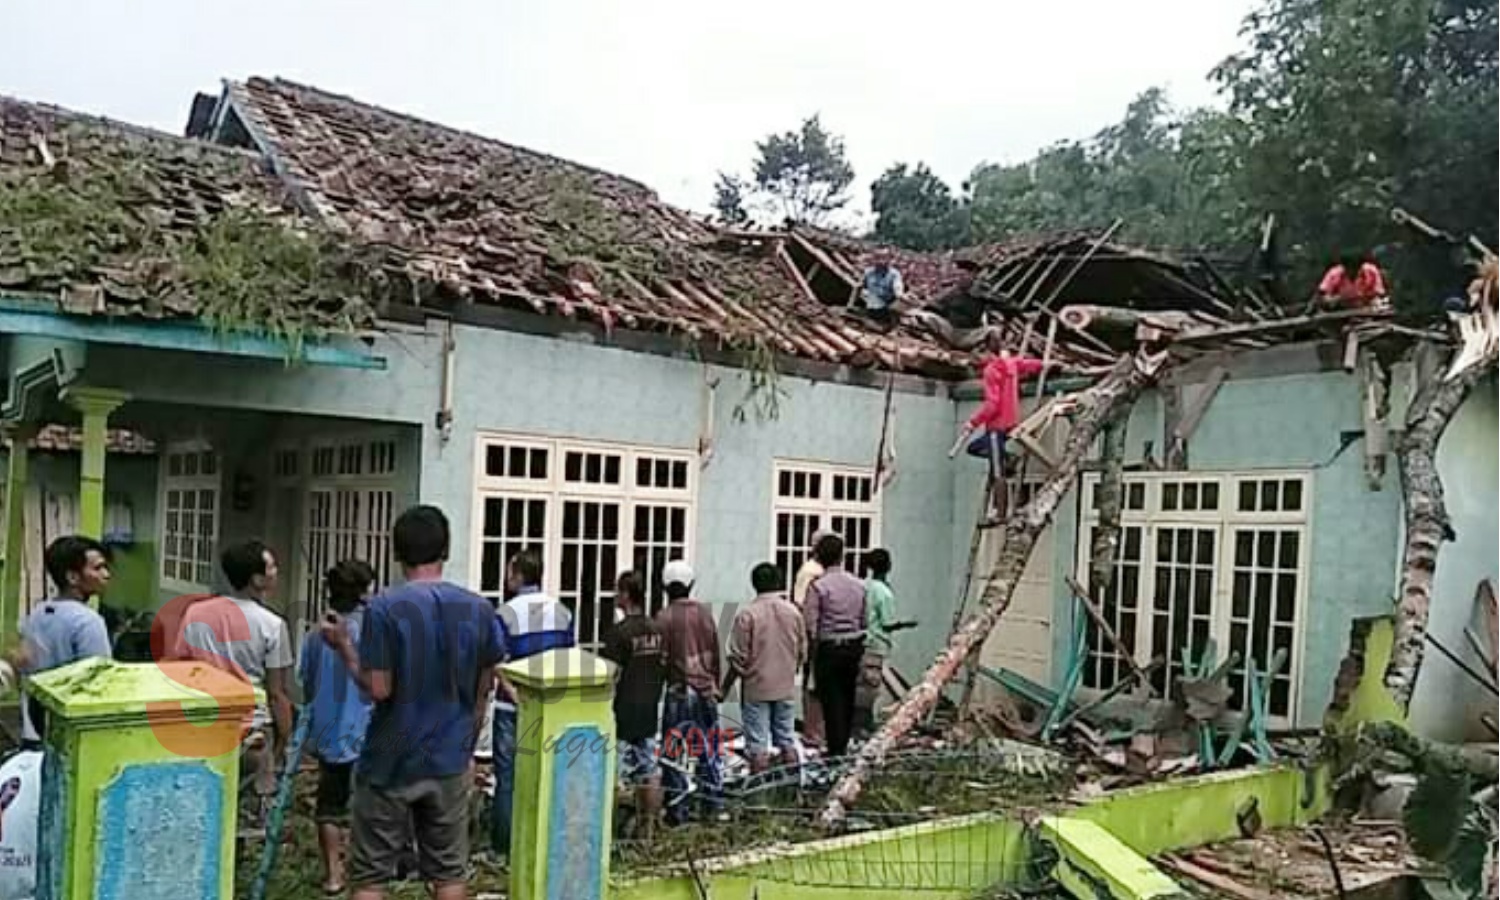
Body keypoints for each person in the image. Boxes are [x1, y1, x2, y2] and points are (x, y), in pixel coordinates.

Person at [319, 505, 505, 900]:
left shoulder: (385, 608)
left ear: (396, 552)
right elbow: (483, 689)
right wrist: (467, 749)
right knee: (449, 874)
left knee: (371, 877)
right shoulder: (479, 608)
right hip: (449, 758)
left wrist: (345, 648)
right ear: (446, 549)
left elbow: (379, 689)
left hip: (390, 758)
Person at [172, 540, 294, 835]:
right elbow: (277, 692)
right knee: (245, 820)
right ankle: (234, 875)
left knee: (202, 813)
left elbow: (179, 667)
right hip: (251, 728)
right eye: (272, 567)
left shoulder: (195, 614)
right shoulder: (272, 625)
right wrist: (283, 742)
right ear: (257, 579)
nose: (277, 572)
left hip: (202, 725)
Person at [299, 559, 376, 895]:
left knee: (329, 805)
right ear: (363, 592)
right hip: (369, 729)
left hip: (330, 729)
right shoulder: (373, 630)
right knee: (368, 803)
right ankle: (366, 870)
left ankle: (333, 874)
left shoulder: (317, 635)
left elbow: (307, 682)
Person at [491, 549, 574, 857]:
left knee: (508, 778)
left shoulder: (506, 613)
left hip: (512, 708)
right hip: (551, 707)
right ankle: (543, 841)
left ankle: (504, 847)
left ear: (518, 575)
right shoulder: (562, 611)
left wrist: (514, 694)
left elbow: (497, 662)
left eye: (509, 569)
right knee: (547, 773)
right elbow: (568, 660)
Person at [14, 536, 113, 745]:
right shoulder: (88, 622)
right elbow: (100, 683)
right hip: (67, 736)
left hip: (33, 727)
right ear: (73, 577)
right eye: (98, 568)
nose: (106, 574)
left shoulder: (37, 614)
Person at [950, 335, 1049, 523]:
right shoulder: (1010, 364)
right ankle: (1009, 458)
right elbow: (1027, 364)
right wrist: (1047, 364)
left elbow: (992, 405)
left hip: (996, 426)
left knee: (997, 471)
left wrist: (972, 422)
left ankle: (1000, 512)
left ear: (987, 352)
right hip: (1011, 421)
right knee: (975, 448)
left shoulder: (991, 371)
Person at [655, 560, 724, 824]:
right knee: (708, 750)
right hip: (705, 690)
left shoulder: (663, 617)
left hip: (679, 691)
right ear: (690, 585)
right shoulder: (704, 614)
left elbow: (661, 661)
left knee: (673, 753)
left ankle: (678, 809)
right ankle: (713, 805)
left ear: (665, 587)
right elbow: (716, 654)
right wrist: (715, 686)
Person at [599, 571, 666, 838]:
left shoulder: (619, 634)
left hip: (623, 711)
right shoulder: (656, 629)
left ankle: (611, 832)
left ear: (626, 595)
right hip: (649, 709)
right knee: (649, 770)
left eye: (618, 591)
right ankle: (647, 827)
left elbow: (609, 675)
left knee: (616, 774)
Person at [725, 562, 806, 774]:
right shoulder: (794, 613)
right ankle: (793, 790)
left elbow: (737, 659)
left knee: (758, 746)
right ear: (778, 582)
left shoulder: (747, 615)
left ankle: (759, 797)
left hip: (756, 688)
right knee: (787, 739)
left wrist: (724, 688)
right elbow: (802, 651)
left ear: (754, 584)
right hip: (785, 687)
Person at [802, 534, 866, 759]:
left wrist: (809, 654)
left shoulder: (818, 587)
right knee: (848, 696)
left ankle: (835, 750)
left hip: (828, 648)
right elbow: (864, 620)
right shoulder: (859, 585)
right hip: (854, 647)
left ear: (819, 557)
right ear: (842, 556)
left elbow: (810, 625)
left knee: (830, 699)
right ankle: (843, 745)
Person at [855, 549, 913, 739]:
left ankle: (858, 724)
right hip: (875, 643)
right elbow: (887, 624)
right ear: (887, 566)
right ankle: (862, 726)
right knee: (870, 686)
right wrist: (905, 623)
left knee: (859, 684)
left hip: (860, 642)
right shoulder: (884, 593)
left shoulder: (863, 586)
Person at [791, 530, 833, 751]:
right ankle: (814, 733)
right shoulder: (811, 572)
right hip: (815, 636)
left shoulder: (821, 572)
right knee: (813, 684)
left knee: (820, 684)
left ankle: (819, 732)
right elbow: (800, 604)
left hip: (823, 635)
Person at [1316, 251, 1388, 309]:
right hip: (1341, 312)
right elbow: (1323, 296)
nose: (1352, 270)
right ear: (1344, 265)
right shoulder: (1334, 273)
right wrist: (1334, 300)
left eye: (1355, 266)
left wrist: (1373, 299)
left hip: (1368, 310)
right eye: (1348, 266)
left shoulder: (1371, 271)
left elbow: (1379, 293)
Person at [854, 253, 905, 325]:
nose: (881, 261)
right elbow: (860, 286)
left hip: (887, 306)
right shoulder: (868, 272)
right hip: (871, 304)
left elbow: (898, 289)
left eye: (884, 258)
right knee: (863, 291)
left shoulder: (894, 274)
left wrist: (900, 296)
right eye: (878, 258)